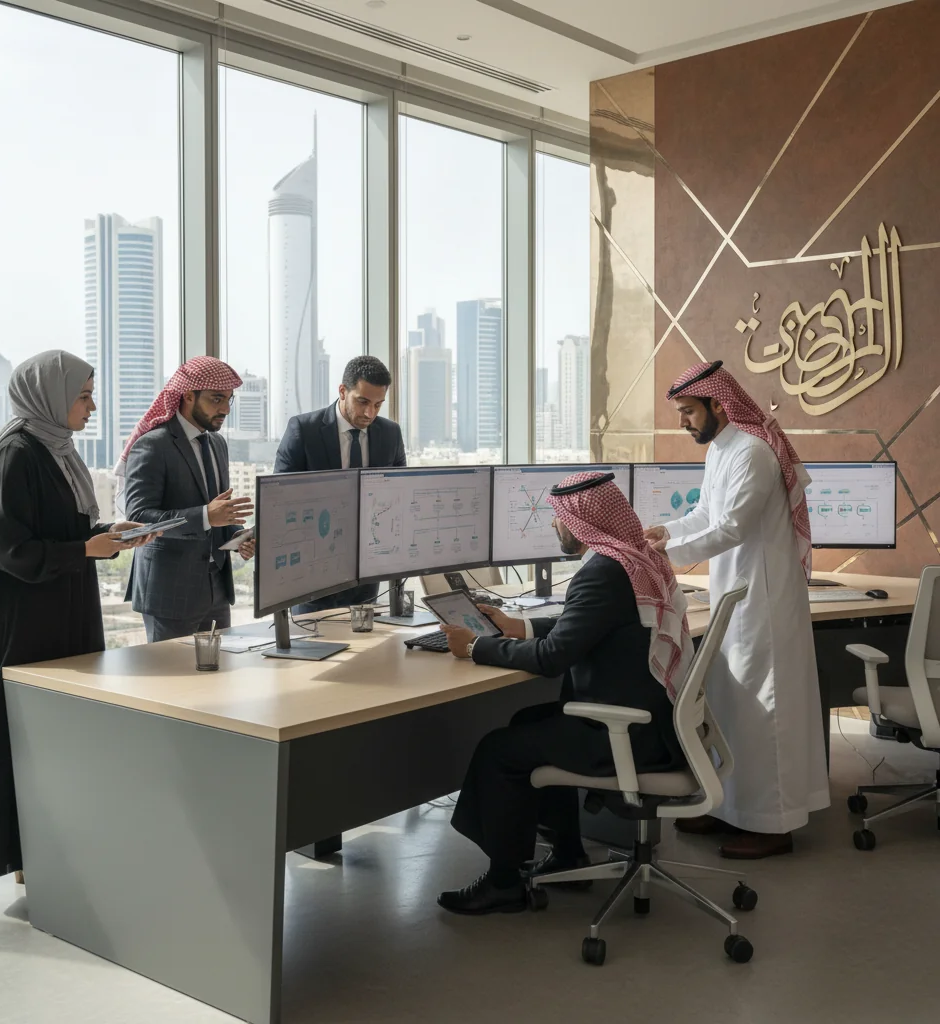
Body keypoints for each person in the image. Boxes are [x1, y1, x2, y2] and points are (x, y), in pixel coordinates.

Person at [434, 472, 692, 915]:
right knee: (527, 724)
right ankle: (568, 851)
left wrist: (477, 646)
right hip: (657, 726)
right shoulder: (634, 559)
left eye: (558, 519)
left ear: (578, 522)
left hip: (624, 735)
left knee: (499, 750)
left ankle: (504, 883)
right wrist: (521, 627)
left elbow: (553, 657)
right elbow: (593, 627)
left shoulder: (602, 572)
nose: (555, 527)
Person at [0, 350, 158, 879]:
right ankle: (26, 860)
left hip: (61, 613)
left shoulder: (58, 451)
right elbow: (10, 551)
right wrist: (86, 550)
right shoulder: (16, 456)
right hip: (22, 626)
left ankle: (53, 853)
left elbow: (66, 534)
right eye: (83, 396)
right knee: (24, 738)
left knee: (57, 738)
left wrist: (112, 539)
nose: (92, 406)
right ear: (50, 397)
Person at [643, 359, 829, 859]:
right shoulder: (722, 449)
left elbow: (734, 528)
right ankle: (729, 808)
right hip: (736, 596)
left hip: (763, 601)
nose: (683, 422)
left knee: (763, 712)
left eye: (688, 412)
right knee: (730, 709)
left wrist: (670, 555)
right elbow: (707, 514)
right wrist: (669, 531)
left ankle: (773, 825)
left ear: (719, 404)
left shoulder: (753, 453)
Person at [120, 357, 256, 642]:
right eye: (216, 399)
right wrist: (206, 516)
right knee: (170, 683)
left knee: (217, 681)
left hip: (216, 589)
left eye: (229, 400)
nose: (225, 409)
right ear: (188, 395)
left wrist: (237, 536)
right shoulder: (153, 445)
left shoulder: (217, 443)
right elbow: (139, 519)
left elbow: (217, 512)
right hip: (169, 594)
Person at [273, 354, 406, 611]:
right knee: (311, 642)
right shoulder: (303, 430)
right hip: (314, 569)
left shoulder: (390, 433)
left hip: (367, 569)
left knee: (367, 646)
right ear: (342, 391)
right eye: (363, 402)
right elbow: (279, 500)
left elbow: (399, 494)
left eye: (378, 405)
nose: (370, 413)